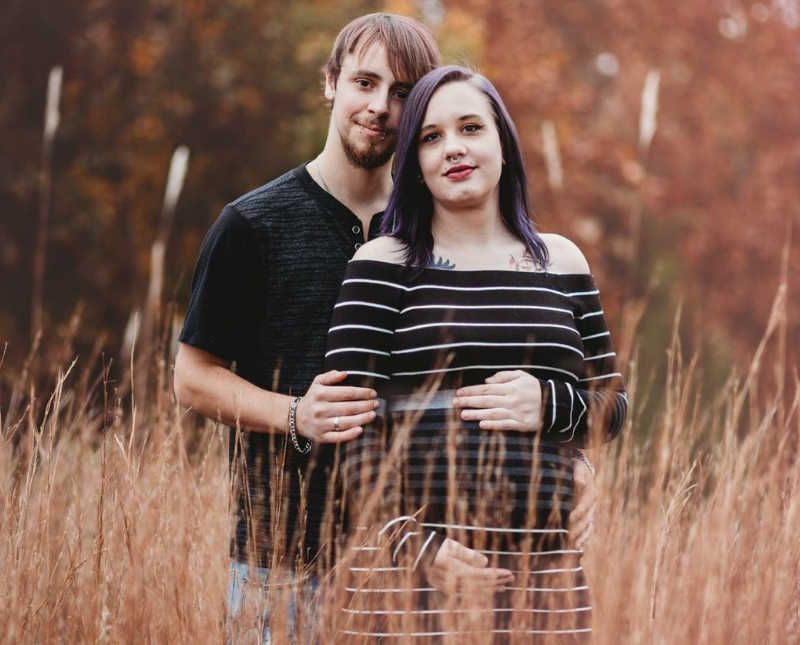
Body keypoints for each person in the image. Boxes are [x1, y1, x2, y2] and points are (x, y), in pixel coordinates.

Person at [173, 12, 595, 642]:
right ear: (330, 83)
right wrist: (295, 415)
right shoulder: (253, 224)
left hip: (422, 564)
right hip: (289, 558)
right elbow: (193, 378)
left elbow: (520, 368)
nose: (379, 107)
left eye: (402, 93)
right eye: (364, 83)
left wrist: (575, 459)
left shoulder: (445, 225)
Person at [323, 65, 626, 641]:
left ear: (503, 145)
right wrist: (412, 545)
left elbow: (613, 407)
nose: (453, 148)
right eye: (431, 138)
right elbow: (345, 426)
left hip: (545, 582)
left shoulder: (561, 262)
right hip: (408, 585)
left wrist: (547, 403)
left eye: (470, 128)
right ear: (412, 162)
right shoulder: (382, 265)